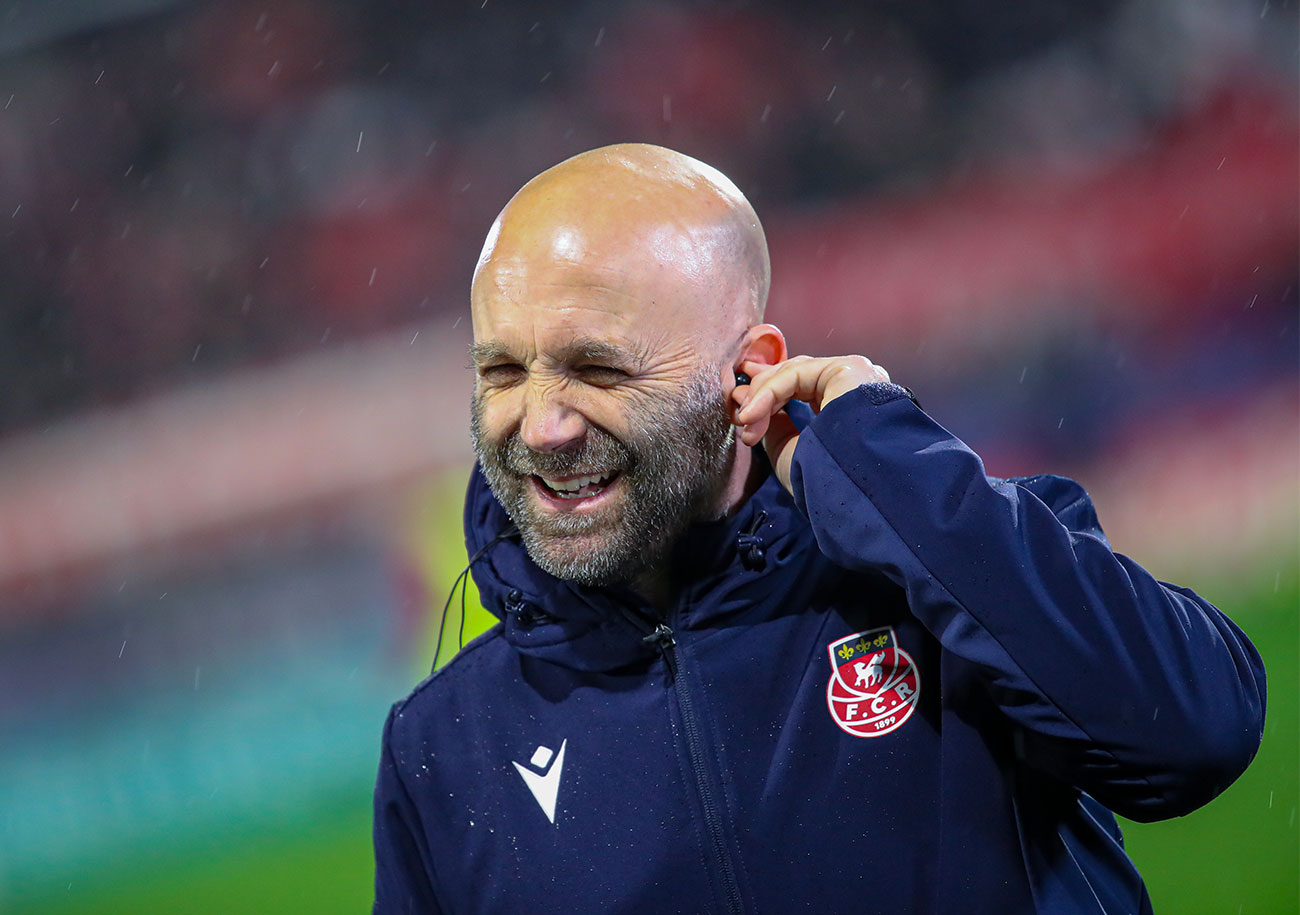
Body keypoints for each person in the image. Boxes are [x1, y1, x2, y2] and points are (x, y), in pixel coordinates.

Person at [372, 143, 1265, 914]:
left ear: (747, 374)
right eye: (503, 370)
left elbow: (1195, 734)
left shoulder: (947, 569)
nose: (541, 424)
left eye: (597, 367)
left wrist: (891, 466)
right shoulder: (441, 748)